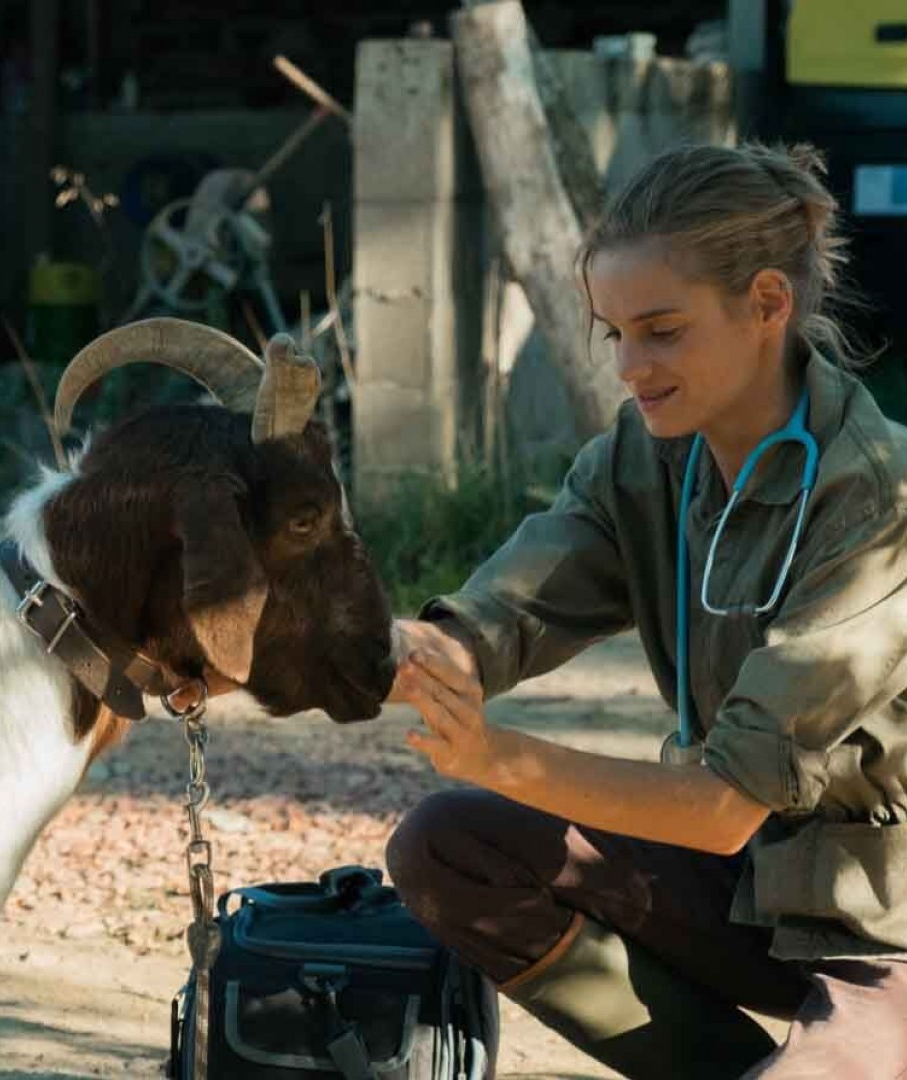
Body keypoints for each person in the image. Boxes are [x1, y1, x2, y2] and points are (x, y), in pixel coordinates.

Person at [383, 141, 907, 1080]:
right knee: (448, 846)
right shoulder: (653, 454)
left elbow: (717, 809)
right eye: (612, 332)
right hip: (750, 896)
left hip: (886, 939)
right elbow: (504, 610)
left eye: (661, 330)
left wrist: (500, 754)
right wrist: (370, 646)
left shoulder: (879, 502)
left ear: (767, 305)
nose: (629, 365)